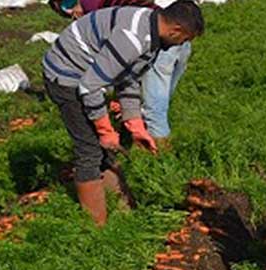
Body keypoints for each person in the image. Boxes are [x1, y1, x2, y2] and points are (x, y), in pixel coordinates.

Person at [43, 1, 204, 226]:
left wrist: (135, 124)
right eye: (185, 39)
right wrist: (105, 129)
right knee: (88, 149)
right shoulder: (133, 38)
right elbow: (89, 87)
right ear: (176, 30)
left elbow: (127, 78)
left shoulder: (153, 33)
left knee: (104, 148)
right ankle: (96, 230)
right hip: (66, 75)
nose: (183, 44)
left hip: (88, 76)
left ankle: (122, 211)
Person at [49, 0, 193, 147]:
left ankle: (159, 152)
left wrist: (108, 129)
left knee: (154, 105)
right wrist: (127, 124)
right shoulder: (138, 29)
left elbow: (107, 77)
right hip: (162, 32)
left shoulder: (131, 36)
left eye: (68, 4)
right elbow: (119, 74)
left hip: (158, 36)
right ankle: (154, 152)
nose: (73, 15)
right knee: (158, 101)